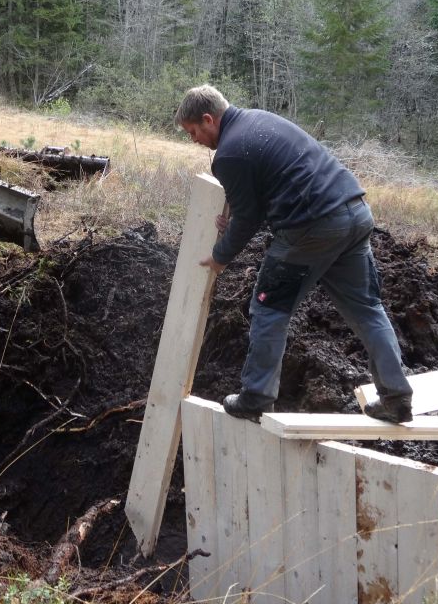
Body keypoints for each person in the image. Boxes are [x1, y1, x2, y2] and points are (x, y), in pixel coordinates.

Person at [176, 85, 413, 424]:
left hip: (312, 226)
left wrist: (220, 256)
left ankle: (256, 397)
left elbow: (247, 220)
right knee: (366, 308)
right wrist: (232, 206)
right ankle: (396, 398)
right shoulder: (258, 120)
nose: (194, 139)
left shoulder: (228, 152)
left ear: (208, 119)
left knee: (269, 308)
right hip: (355, 213)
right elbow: (259, 182)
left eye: (193, 131)